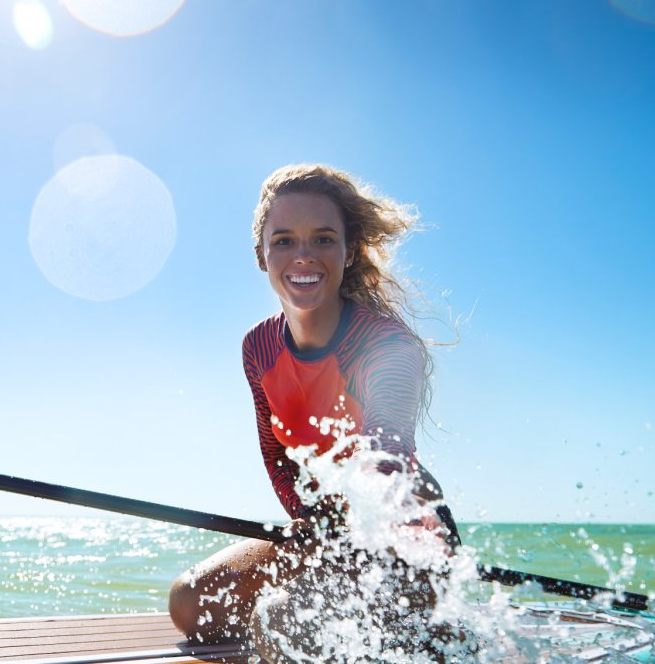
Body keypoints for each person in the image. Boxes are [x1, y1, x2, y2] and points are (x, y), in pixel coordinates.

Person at [167, 164, 460, 660]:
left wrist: (349, 525)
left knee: (282, 622)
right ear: (262, 255)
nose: (303, 256)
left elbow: (387, 453)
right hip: (324, 530)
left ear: (349, 253)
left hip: (403, 537)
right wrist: (309, 520)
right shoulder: (258, 347)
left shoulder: (387, 345)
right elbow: (275, 455)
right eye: (284, 240)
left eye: (323, 239)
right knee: (189, 603)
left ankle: (432, 630)